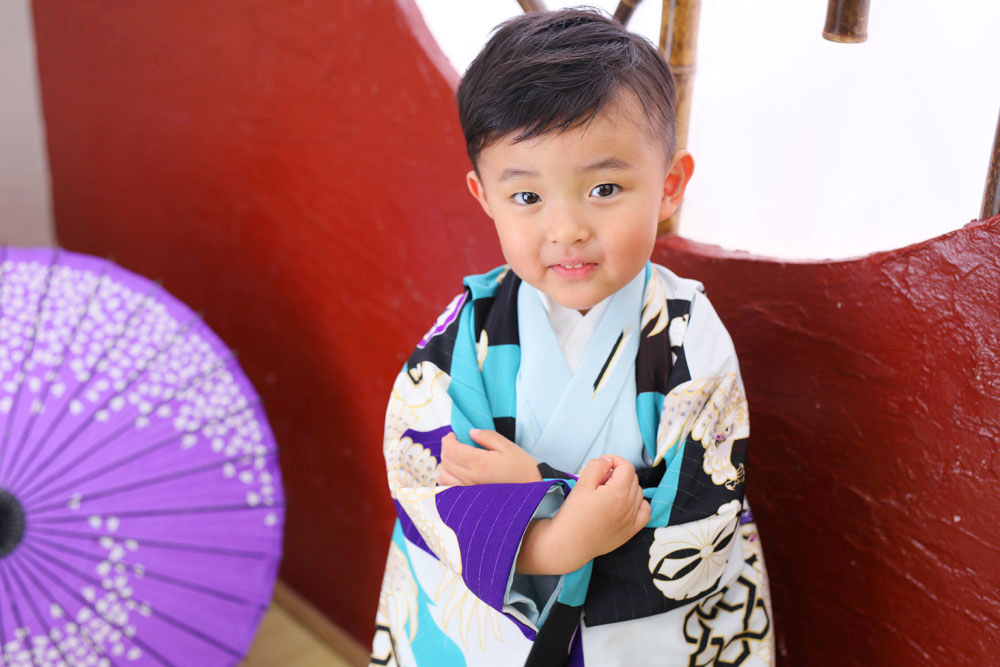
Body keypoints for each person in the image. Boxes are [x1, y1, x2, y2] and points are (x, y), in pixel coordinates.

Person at [370, 8, 772, 666]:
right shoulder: (470, 330)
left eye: (605, 188)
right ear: (484, 195)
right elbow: (423, 482)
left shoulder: (687, 336)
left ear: (669, 185)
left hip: (643, 641)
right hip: (493, 636)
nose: (567, 230)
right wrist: (555, 542)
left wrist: (537, 487)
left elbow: (702, 516)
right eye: (527, 197)